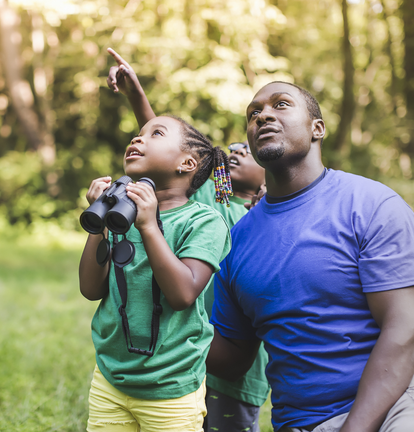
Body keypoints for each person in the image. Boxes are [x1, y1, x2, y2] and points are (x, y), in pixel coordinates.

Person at [206, 81, 414, 432]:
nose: (263, 116)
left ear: (316, 128)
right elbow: (232, 359)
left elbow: (407, 329)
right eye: (254, 113)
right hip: (303, 422)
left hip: (403, 402)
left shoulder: (371, 205)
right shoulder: (237, 241)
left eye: (281, 105)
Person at [106, 47, 270, 432]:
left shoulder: (266, 216)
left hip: (235, 362)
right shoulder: (214, 197)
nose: (236, 150)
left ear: (270, 174)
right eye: (234, 147)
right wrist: (137, 97)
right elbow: (171, 157)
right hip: (184, 347)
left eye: (249, 151)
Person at [79, 109, 233, 430]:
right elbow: (91, 289)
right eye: (139, 133)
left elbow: (183, 294)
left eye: (156, 134)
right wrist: (98, 224)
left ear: (186, 163)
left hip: (170, 384)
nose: (138, 138)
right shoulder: (121, 214)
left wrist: (149, 226)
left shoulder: (203, 221)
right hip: (111, 377)